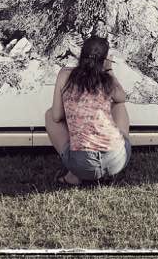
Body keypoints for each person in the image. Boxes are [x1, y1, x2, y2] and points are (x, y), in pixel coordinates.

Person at [44, 36, 131, 185]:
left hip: (82, 165)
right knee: (119, 104)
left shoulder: (65, 74)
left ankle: (73, 176)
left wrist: (76, 112)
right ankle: (108, 171)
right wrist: (109, 69)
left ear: (81, 53)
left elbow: (57, 116)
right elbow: (122, 97)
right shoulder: (106, 79)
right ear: (104, 59)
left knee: (49, 114)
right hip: (116, 160)